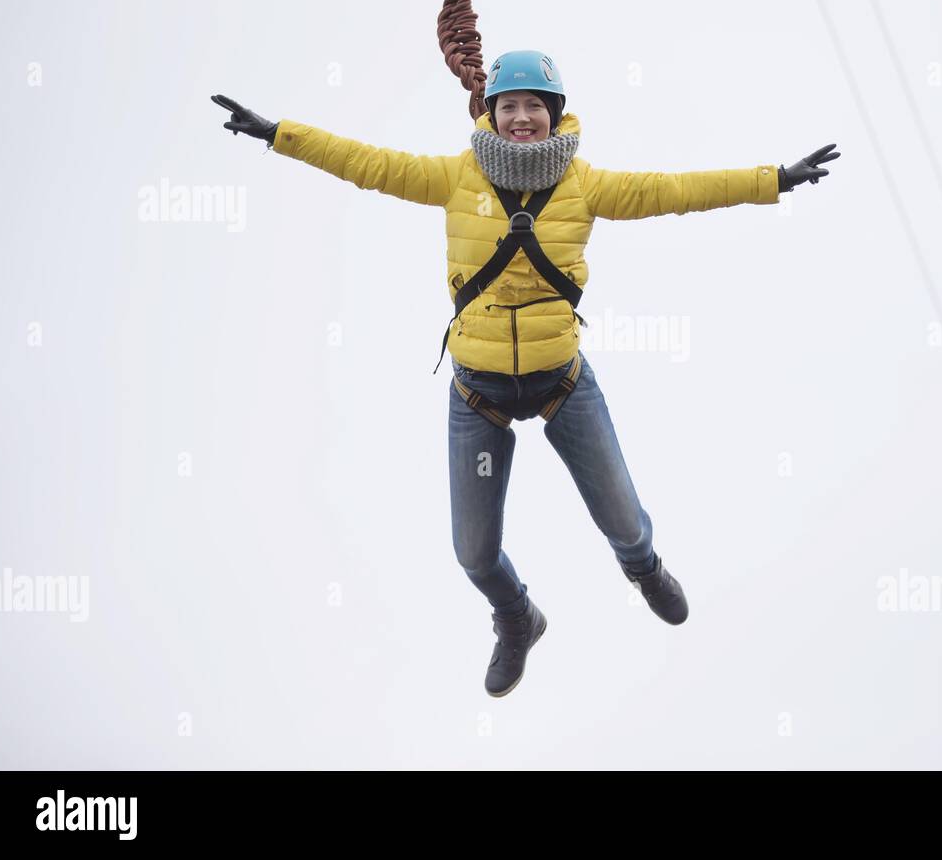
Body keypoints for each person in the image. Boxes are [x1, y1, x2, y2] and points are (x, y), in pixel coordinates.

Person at [212, 49, 839, 697]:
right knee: (474, 554)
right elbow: (367, 163)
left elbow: (675, 191)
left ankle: (645, 570)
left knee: (623, 519)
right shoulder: (454, 178)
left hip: (560, 382)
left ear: (554, 116)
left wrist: (775, 179)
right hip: (477, 392)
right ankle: (517, 617)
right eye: (508, 106)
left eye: (533, 107)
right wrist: (277, 133)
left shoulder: (586, 186)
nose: (520, 117)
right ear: (490, 114)